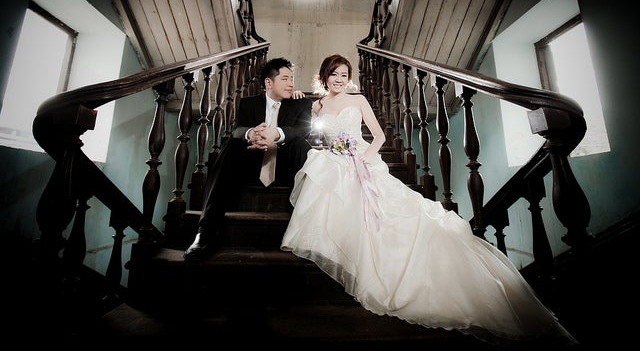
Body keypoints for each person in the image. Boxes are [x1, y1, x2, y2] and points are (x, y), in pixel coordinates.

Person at [280, 54, 578, 346]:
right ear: (324, 76)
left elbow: (380, 138)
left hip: (363, 162)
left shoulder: (358, 100)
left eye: (345, 75)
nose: (340, 80)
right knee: (324, 181)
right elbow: (315, 139)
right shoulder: (317, 106)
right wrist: (328, 148)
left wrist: (362, 162)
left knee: (395, 218)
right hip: (335, 161)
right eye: (335, 74)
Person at [185, 57, 312, 261]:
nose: (291, 83)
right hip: (252, 166)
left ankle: (307, 231)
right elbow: (237, 129)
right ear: (268, 83)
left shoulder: (301, 103)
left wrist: (276, 134)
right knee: (232, 144)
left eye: (292, 79)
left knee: (302, 145)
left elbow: (303, 129)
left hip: (286, 168)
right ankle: (205, 233)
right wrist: (251, 133)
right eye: (286, 78)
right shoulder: (248, 103)